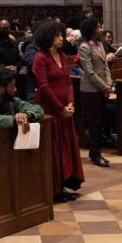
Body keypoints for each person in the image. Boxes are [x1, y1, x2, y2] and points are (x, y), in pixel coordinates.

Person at [32, 20, 85, 203]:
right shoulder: (40, 57)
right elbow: (44, 87)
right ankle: (55, 189)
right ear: (48, 37)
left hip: (64, 110)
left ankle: (64, 182)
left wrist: (70, 103)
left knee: (65, 147)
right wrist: (60, 108)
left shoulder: (61, 55)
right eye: (57, 35)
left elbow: (68, 81)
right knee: (55, 150)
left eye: (61, 34)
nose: (62, 38)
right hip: (50, 110)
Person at [77, 17, 115, 168]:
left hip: (101, 88)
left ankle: (97, 152)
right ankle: (95, 154)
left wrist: (109, 83)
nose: (101, 29)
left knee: (101, 120)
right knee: (94, 122)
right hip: (90, 90)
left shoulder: (100, 45)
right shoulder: (84, 47)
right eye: (98, 27)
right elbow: (90, 72)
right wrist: (104, 86)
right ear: (91, 30)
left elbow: (105, 65)